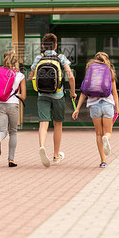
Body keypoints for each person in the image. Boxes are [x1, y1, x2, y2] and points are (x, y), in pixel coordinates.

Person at [29, 33, 76, 167]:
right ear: (56, 45)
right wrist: (72, 93)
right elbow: (71, 77)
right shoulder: (61, 57)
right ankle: (56, 155)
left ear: (43, 46)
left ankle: (42, 146)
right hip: (58, 95)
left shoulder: (39, 58)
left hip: (42, 95)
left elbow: (31, 76)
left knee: (43, 123)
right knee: (58, 124)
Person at [72, 52, 119, 168]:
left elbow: (84, 92)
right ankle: (106, 138)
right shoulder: (109, 72)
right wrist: (117, 109)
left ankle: (103, 161)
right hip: (107, 104)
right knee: (108, 132)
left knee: (98, 134)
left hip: (94, 106)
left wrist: (77, 109)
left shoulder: (90, 72)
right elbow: (115, 93)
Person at [0, 50, 27, 167]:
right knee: (13, 132)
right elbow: (24, 96)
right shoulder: (19, 75)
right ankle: (11, 160)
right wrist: (15, 95)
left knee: (2, 131)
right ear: (16, 60)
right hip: (13, 104)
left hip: (0, 104)